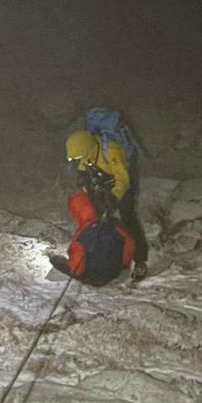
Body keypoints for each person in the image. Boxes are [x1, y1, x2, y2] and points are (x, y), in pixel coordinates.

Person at [65, 107, 149, 281]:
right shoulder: (87, 150)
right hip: (103, 182)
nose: (78, 159)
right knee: (96, 218)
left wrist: (115, 196)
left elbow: (123, 179)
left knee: (128, 218)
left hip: (120, 185)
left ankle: (140, 260)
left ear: (85, 149)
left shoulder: (111, 150)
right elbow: (84, 168)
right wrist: (84, 183)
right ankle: (97, 254)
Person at [49, 190, 135, 285]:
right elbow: (129, 244)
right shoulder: (113, 224)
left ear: (75, 212)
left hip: (93, 278)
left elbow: (77, 268)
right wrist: (123, 264)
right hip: (114, 272)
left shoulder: (82, 233)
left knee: (55, 260)